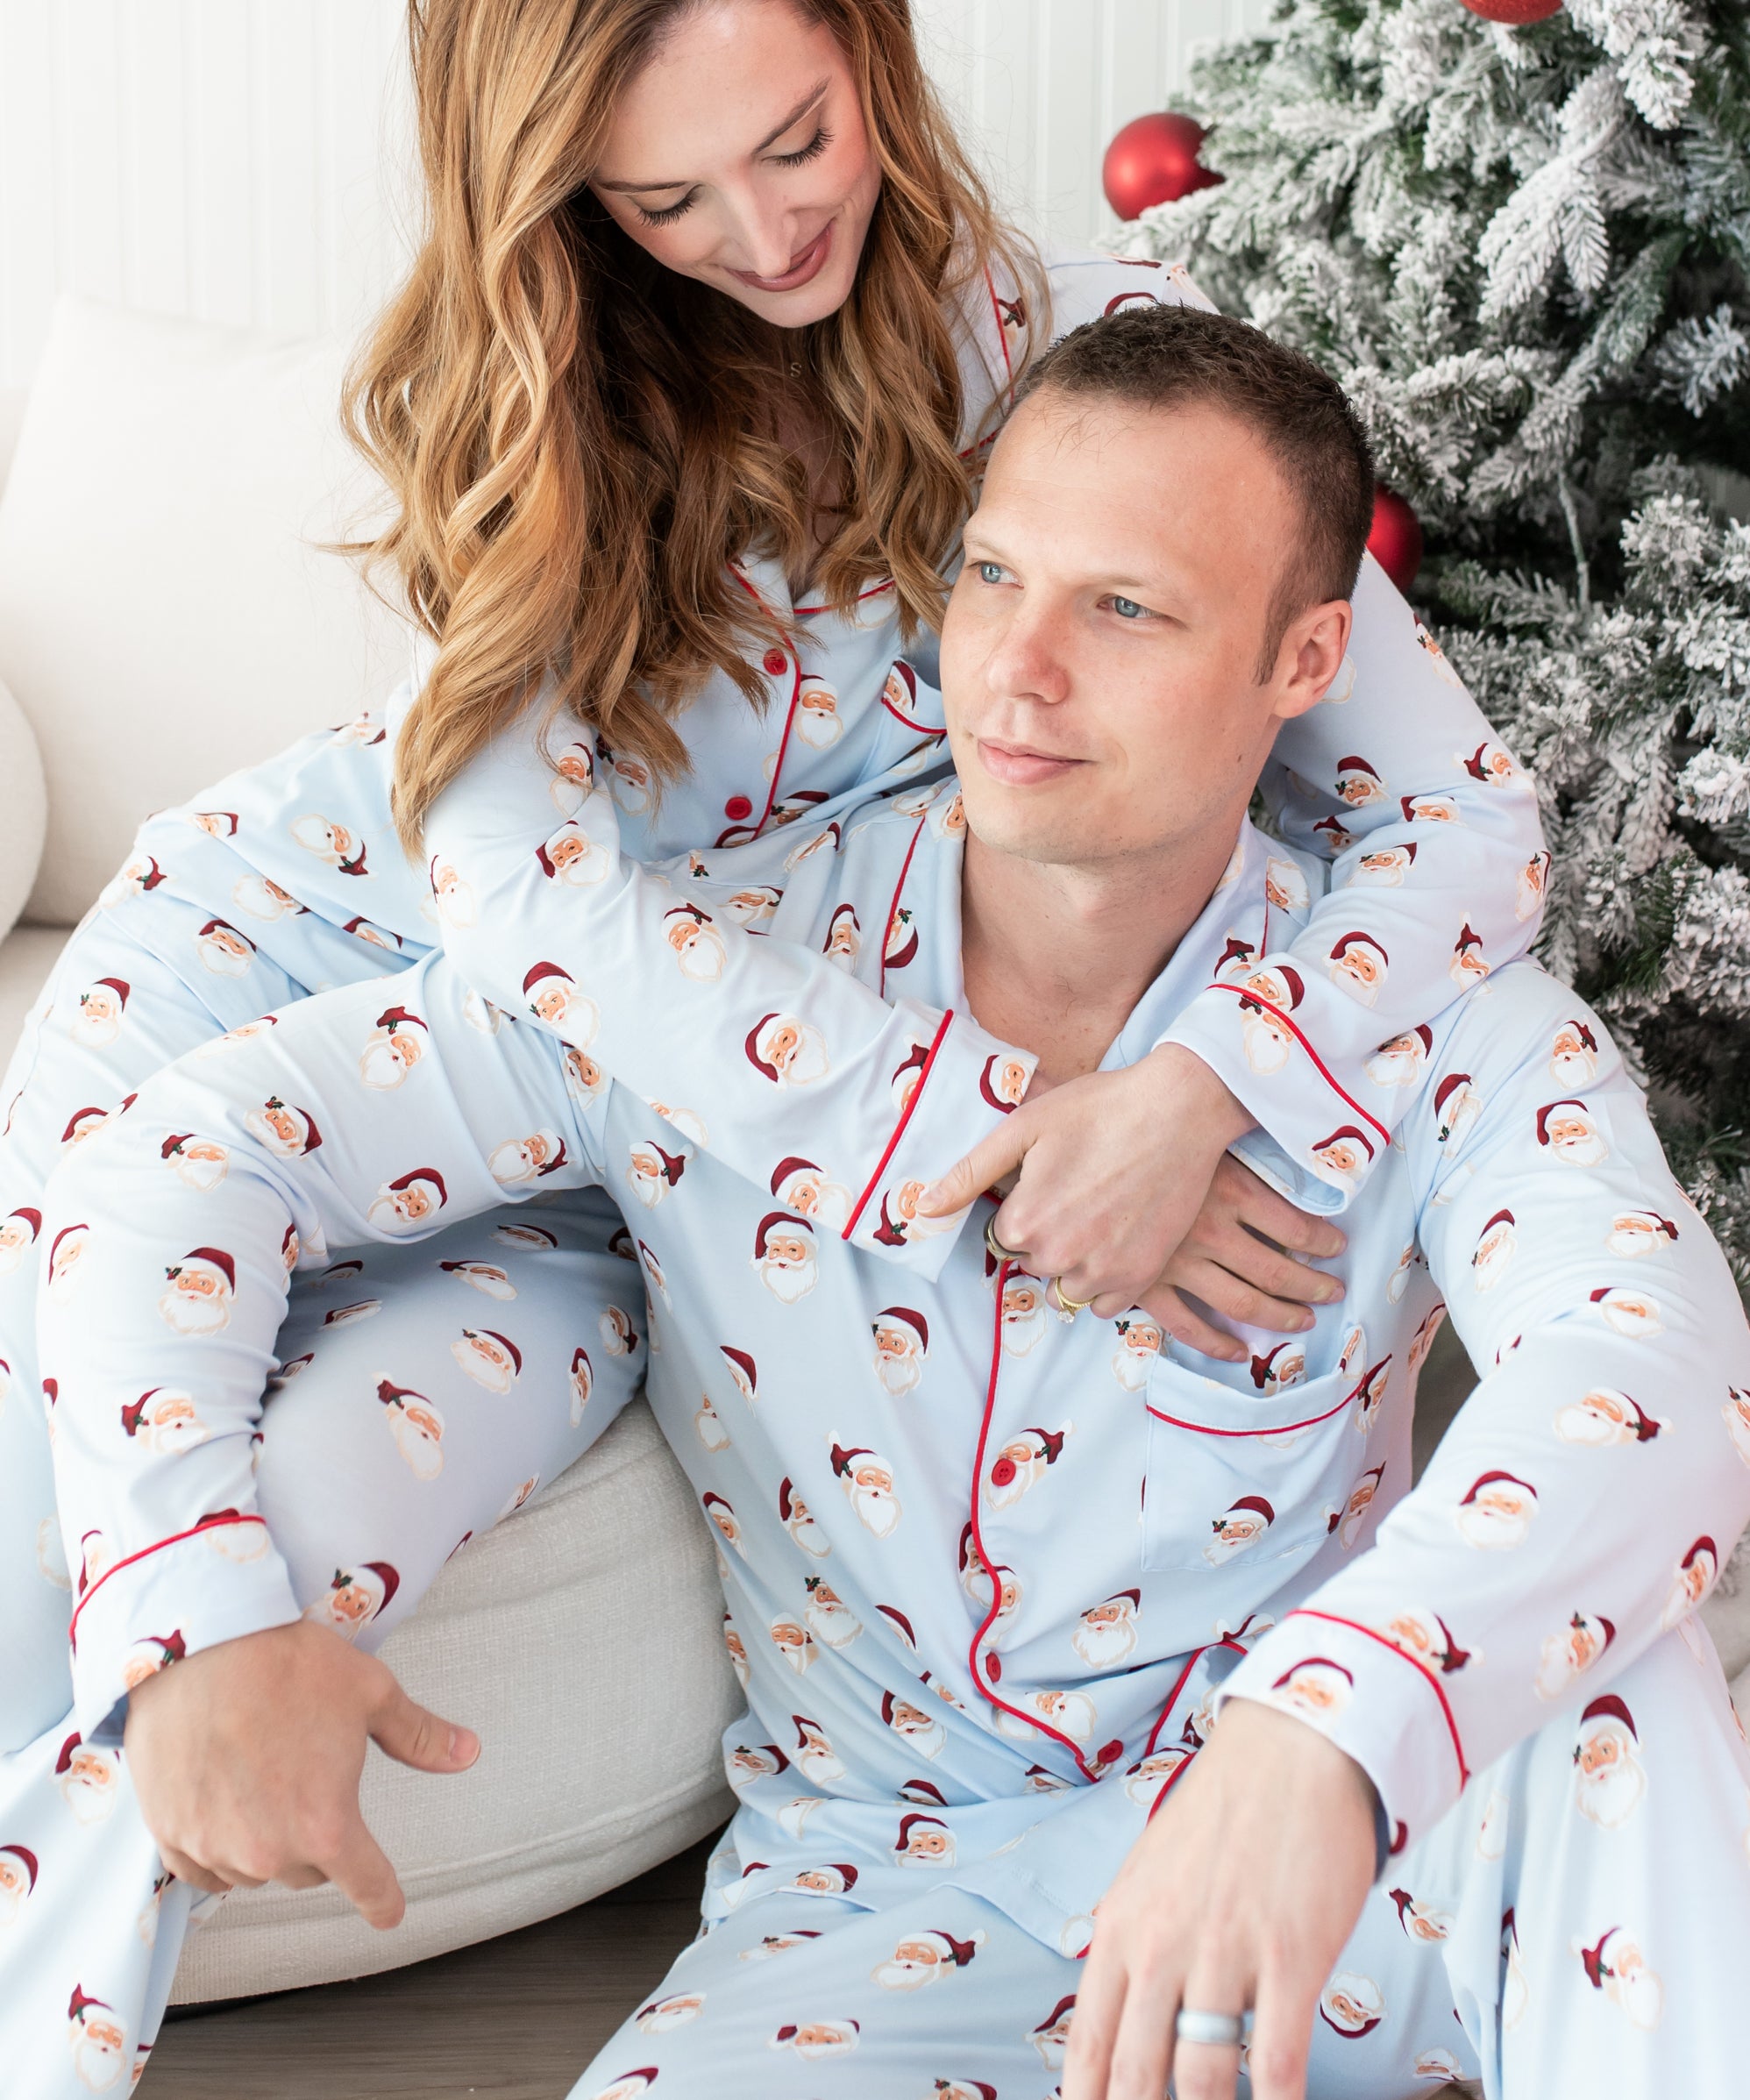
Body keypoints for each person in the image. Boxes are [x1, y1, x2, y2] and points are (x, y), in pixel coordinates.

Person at [2, 0, 1543, 2074]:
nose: (761, 225)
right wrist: (1015, 1122)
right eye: (663, 195)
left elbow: (1461, 828)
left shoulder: (1076, 361)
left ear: (872, 56)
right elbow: (548, 938)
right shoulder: (551, 429)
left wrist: (1208, 1081)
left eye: (798, 137)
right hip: (329, 1009)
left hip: (623, 1161)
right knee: (107, 1559)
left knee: (300, 1521)